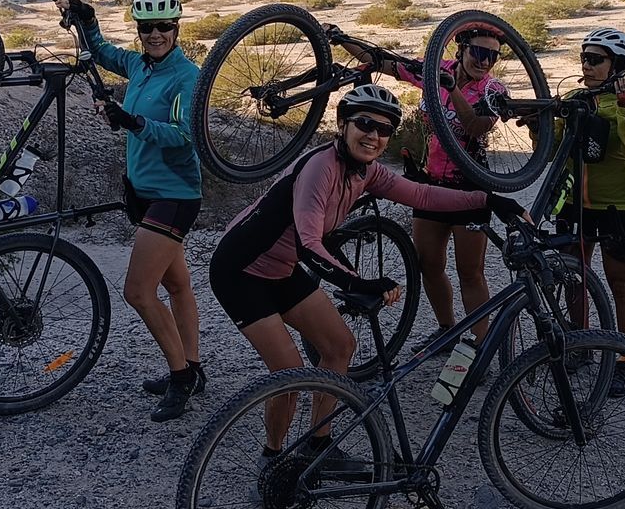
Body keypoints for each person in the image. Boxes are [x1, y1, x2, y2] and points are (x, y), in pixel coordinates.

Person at [209, 85, 525, 461]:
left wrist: (488, 200)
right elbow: (309, 243)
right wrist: (360, 282)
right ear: (342, 124)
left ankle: (318, 445)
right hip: (239, 272)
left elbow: (422, 196)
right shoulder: (321, 168)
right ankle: (272, 458)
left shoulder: (365, 171)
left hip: (281, 268)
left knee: (339, 346)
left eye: (385, 129)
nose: (374, 135)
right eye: (365, 123)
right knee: (289, 372)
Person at [59, 0, 206, 422]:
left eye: (163, 26)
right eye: (147, 28)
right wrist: (87, 19)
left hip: (175, 194)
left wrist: (132, 121)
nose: (155, 34)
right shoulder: (140, 65)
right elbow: (103, 52)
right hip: (143, 193)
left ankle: (180, 378)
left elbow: (184, 135)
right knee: (177, 285)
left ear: (177, 27)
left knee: (138, 292)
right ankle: (194, 367)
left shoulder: (187, 77)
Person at [343, 28, 508, 345]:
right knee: (428, 265)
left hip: (469, 187)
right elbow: (385, 62)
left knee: (469, 272)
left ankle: (480, 342)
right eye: (479, 52)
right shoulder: (435, 69)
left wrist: (452, 90)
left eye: (493, 56)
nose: (485, 62)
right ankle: (447, 330)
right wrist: (339, 38)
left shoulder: (493, 89)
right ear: (461, 49)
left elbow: (476, 126)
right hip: (431, 182)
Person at [553, 28, 625, 398]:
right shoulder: (574, 98)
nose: (586, 65)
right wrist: (539, 126)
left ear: (618, 65)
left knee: (621, 283)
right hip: (574, 202)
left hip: (617, 204)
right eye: (584, 58)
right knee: (573, 277)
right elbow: (554, 150)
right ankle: (580, 345)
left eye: (596, 59)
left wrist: (624, 108)